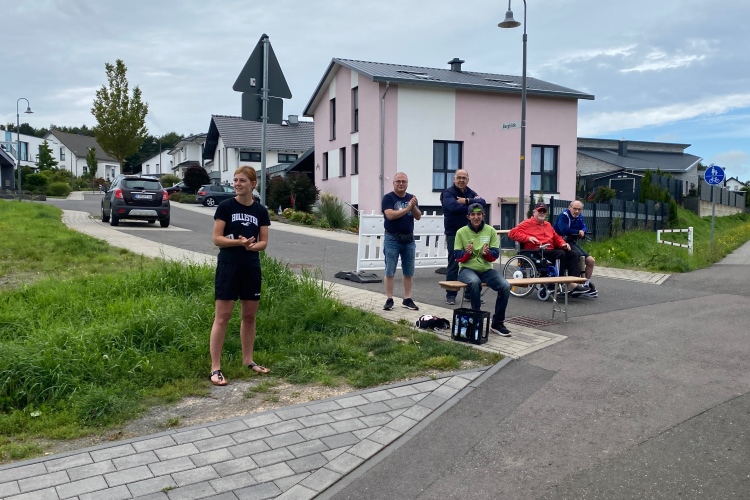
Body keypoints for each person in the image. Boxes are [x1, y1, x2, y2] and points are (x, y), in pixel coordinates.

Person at [208, 166, 271, 386]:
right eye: (235, 180)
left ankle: (248, 360)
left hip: (251, 266)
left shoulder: (260, 211)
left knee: (249, 317)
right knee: (223, 316)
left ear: (253, 184)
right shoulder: (226, 207)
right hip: (228, 266)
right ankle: (215, 368)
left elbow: (264, 242)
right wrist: (238, 242)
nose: (237, 184)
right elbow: (217, 239)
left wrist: (252, 247)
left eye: (242, 180)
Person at [455, 204, 512, 336]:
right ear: (468, 216)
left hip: (486, 270)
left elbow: (495, 254)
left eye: (479, 214)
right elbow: (457, 256)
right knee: (474, 282)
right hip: (466, 269)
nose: (476, 217)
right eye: (473, 214)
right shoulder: (461, 232)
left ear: (483, 216)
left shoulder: (491, 230)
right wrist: (467, 254)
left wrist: (487, 254)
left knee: (505, 286)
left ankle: (497, 323)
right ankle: (476, 320)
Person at [508, 202, 583, 290]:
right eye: (540, 211)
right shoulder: (527, 223)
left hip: (549, 250)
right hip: (536, 252)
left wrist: (563, 243)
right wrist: (528, 238)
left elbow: (556, 237)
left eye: (544, 211)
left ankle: (574, 283)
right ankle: (558, 282)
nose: (542, 213)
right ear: (534, 212)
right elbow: (512, 233)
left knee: (573, 254)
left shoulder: (548, 224)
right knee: (560, 254)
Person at [441, 169, 486, 305]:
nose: (461, 180)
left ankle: (470, 294)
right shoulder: (447, 193)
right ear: (454, 179)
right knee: (454, 263)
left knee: (472, 262)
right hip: (454, 233)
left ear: (468, 180)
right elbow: (453, 207)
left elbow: (482, 202)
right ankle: (451, 294)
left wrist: (466, 200)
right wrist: (472, 207)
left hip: (470, 233)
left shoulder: (469, 193)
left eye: (464, 178)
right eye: (459, 177)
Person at [382, 172, 422, 311]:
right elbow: (390, 215)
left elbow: (418, 216)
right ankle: (389, 298)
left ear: (407, 183)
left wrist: (413, 206)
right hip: (392, 238)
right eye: (398, 181)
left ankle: (407, 298)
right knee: (390, 270)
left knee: (409, 271)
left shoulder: (412, 198)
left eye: (403, 181)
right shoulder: (388, 198)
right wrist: (407, 208)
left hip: (409, 239)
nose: (401, 184)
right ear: (393, 183)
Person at [553, 200, 598, 298]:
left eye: (579, 209)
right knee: (580, 258)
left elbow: (584, 227)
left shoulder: (579, 217)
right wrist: (578, 232)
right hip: (562, 242)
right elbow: (564, 229)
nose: (577, 211)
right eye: (575, 209)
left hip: (572, 242)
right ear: (569, 207)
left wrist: (582, 231)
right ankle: (576, 285)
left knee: (591, 261)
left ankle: (585, 284)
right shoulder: (564, 216)